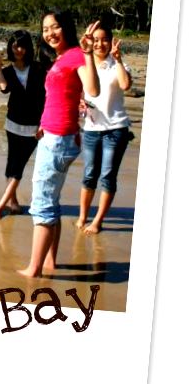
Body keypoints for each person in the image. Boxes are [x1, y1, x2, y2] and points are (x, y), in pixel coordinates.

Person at [18, 10, 100, 278]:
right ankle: (50, 261)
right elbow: (59, 96)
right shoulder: (62, 57)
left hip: (59, 139)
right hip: (54, 134)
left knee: (42, 203)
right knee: (51, 202)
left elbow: (93, 90)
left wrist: (88, 53)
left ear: (66, 28)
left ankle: (34, 269)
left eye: (55, 27)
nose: (49, 33)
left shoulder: (76, 55)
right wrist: (43, 124)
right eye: (45, 29)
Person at [75, 25, 132, 235]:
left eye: (104, 39)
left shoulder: (118, 64)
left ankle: (98, 221)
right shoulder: (84, 65)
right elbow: (80, 93)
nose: (100, 44)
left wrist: (118, 60)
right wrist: (80, 103)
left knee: (107, 176)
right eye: (96, 40)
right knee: (89, 175)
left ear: (111, 41)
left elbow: (125, 85)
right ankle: (83, 216)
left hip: (116, 129)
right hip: (91, 128)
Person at [0, 30, 46, 221]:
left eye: (22, 46)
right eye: (15, 46)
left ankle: (0, 206)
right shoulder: (8, 71)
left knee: (19, 166)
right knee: (12, 163)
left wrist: (44, 122)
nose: (18, 50)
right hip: (12, 124)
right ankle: (13, 201)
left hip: (34, 127)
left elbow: (46, 97)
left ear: (28, 48)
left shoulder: (38, 68)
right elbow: (4, 89)